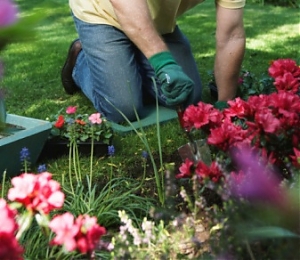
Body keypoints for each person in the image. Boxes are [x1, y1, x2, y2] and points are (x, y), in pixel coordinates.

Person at [62, 0, 245, 123]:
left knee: (187, 97)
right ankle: (80, 61)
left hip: (157, 22)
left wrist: (225, 105)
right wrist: (163, 63)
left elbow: (232, 35)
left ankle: (132, 59)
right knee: (124, 109)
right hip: (102, 13)